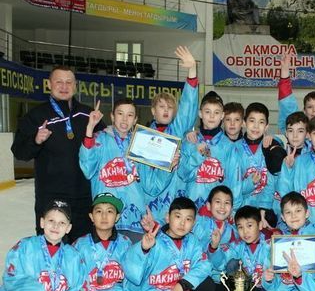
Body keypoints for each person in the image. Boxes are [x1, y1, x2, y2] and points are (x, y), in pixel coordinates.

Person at [11, 66, 105, 242]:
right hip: (50, 197)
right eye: (59, 82)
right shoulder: (36, 115)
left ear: (75, 86)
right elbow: (19, 152)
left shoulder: (88, 114)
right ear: (49, 84)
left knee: (84, 248)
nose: (64, 86)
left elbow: (107, 149)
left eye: (69, 82)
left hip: (84, 197)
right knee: (51, 249)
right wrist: (36, 140)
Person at [126, 197, 215, 291]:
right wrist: (144, 248)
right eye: (178, 216)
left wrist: (183, 283)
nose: (182, 223)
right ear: (168, 217)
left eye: (188, 219)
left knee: (207, 284)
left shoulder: (192, 241)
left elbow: (204, 264)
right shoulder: (154, 239)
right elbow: (132, 269)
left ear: (193, 223)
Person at [79, 98, 168, 243]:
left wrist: (169, 167)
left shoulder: (141, 143)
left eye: (130, 115)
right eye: (120, 113)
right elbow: (87, 170)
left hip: (136, 221)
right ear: (112, 116)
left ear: (135, 120)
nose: (125, 119)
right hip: (106, 220)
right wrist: (89, 130)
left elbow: (151, 186)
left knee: (135, 257)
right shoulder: (99, 139)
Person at [73, 193, 144, 291]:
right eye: (99, 211)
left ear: (117, 217)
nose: (104, 216)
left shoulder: (125, 242)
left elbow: (132, 274)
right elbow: (73, 277)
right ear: (91, 217)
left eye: (110, 211)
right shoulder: (80, 245)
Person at [144, 45, 199, 223]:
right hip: (150, 202)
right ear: (153, 111)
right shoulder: (143, 138)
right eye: (161, 107)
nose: (166, 110)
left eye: (170, 107)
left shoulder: (176, 131)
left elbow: (188, 107)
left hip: (175, 198)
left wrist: (192, 70)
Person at [208, 205, 274, 291]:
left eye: (249, 226)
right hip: (247, 290)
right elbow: (220, 264)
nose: (245, 232)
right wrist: (214, 247)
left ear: (260, 225)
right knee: (232, 264)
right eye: (240, 227)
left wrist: (268, 279)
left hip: (266, 289)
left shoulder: (270, 245)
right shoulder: (237, 246)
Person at [179, 91, 243, 211]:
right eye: (207, 112)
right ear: (200, 113)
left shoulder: (229, 147)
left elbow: (235, 183)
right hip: (191, 210)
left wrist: (233, 211)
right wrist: (197, 155)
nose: (212, 116)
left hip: (218, 212)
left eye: (216, 112)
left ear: (222, 115)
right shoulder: (189, 142)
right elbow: (182, 174)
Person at [238, 102, 286, 228]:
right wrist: (250, 183)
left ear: (266, 126)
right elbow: (233, 185)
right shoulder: (234, 149)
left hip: (270, 210)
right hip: (244, 211)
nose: (256, 126)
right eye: (252, 121)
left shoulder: (272, 146)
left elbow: (276, 179)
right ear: (244, 123)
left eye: (261, 122)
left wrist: (265, 208)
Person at [193, 185, 239, 291]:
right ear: (208, 206)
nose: (222, 207)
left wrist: (214, 248)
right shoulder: (198, 222)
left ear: (231, 208)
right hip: (197, 276)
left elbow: (221, 264)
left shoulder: (233, 232)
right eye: (218, 202)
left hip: (217, 279)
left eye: (227, 203)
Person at [277, 51, 315, 134]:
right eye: (310, 107)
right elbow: (287, 105)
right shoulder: (296, 128)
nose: (314, 110)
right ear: (304, 111)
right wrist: (285, 70)